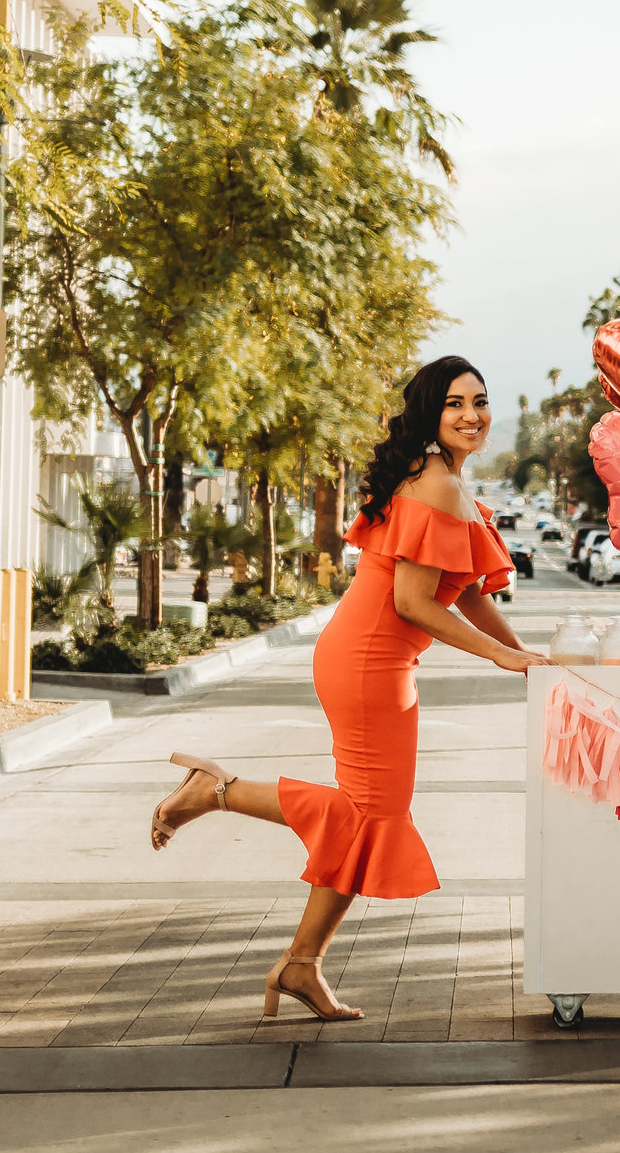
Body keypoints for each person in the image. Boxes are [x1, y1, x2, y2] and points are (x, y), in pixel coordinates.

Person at [148, 356, 550, 1021]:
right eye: (455, 403)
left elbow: (471, 591)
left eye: (480, 400)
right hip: (371, 660)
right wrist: (504, 661)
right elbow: (416, 602)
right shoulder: (440, 484)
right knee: (372, 817)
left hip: (371, 658)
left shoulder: (442, 479)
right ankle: (214, 790)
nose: (472, 414)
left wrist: (521, 653)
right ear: (429, 411)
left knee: (366, 821)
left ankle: (302, 962)